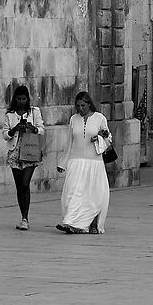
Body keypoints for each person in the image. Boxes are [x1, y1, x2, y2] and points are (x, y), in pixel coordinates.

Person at [55, 89, 113, 235]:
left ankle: (86, 224)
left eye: (83, 106)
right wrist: (63, 162)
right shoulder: (73, 119)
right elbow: (69, 142)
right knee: (72, 193)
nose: (80, 109)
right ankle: (70, 222)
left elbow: (108, 138)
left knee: (92, 196)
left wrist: (99, 138)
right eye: (78, 106)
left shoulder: (100, 118)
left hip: (94, 162)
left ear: (89, 104)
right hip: (75, 161)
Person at [5, 83, 46, 231]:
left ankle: (25, 217)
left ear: (27, 99)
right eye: (19, 99)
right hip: (15, 151)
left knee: (24, 183)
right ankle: (23, 217)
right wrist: (15, 129)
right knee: (19, 186)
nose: (21, 101)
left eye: (24, 99)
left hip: (30, 150)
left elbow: (42, 129)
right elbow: (5, 134)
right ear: (15, 99)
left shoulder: (34, 112)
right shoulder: (10, 115)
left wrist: (33, 128)